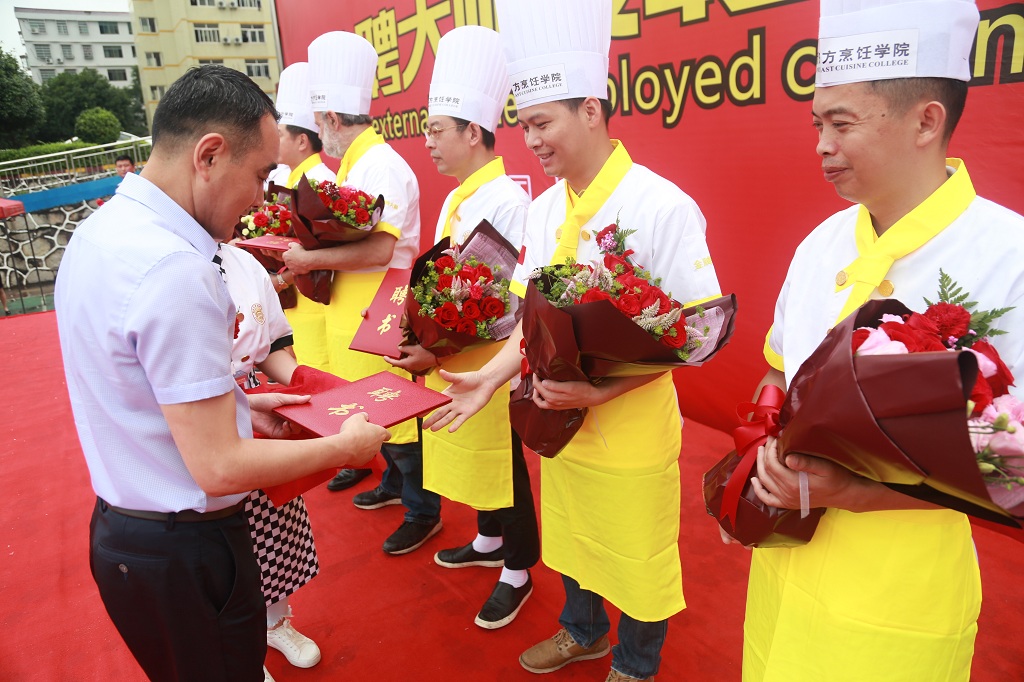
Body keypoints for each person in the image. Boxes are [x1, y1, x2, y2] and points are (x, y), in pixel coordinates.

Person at [54, 64, 389, 681]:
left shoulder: (101, 232)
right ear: (209, 155)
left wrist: (241, 404)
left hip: (126, 534)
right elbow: (219, 466)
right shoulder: (176, 269)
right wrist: (345, 449)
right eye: (260, 175)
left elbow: (141, 390)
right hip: (189, 547)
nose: (262, 198)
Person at [424, 1, 721, 679]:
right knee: (573, 535)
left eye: (542, 123)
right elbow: (531, 323)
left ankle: (636, 663)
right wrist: (490, 377)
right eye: (524, 125)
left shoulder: (661, 205)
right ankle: (581, 630)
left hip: (631, 427)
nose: (531, 140)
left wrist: (603, 390)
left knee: (637, 552)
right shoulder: (543, 208)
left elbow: (695, 332)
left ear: (591, 110)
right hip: (559, 418)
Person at [735, 1, 1024, 680]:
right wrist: (762, 450)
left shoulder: (1008, 255)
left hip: (901, 588)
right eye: (817, 125)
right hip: (785, 558)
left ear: (926, 120)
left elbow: (1011, 465)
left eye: (842, 124)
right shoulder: (819, 244)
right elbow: (775, 373)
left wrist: (856, 491)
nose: (821, 145)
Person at [384, 25, 539, 629]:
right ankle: (488, 540)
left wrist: (436, 345)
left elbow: (507, 304)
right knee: (469, 454)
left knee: (503, 463)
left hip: (492, 362)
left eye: (436, 130)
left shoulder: (507, 202)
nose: (427, 143)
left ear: (473, 133)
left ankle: (518, 568)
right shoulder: (456, 198)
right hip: (455, 357)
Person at [297, 31, 438, 556]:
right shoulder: (355, 165)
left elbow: (380, 249)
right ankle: (397, 486)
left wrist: (310, 259)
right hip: (354, 308)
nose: (319, 135)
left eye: (319, 124)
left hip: (380, 307)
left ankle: (423, 511)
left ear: (332, 118)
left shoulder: (381, 166)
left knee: (395, 411)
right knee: (370, 407)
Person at [217, 240, 322, 679]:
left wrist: (316, 389)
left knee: (272, 523)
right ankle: (236, 650)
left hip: (257, 402)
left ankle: (276, 623)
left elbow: (275, 344)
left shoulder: (242, 261)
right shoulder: (158, 261)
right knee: (221, 542)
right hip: (196, 411)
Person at [262, 61, 335, 297]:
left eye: (280, 135)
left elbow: (324, 251)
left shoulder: (321, 183)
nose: (274, 142)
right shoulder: (285, 178)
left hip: (312, 299)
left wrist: (282, 279)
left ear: (302, 141)